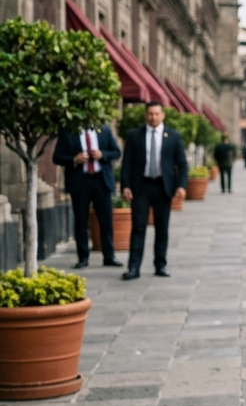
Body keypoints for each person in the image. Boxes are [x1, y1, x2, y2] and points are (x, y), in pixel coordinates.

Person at [119, 101, 187, 279]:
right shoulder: (134, 136)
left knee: (161, 228)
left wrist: (181, 186)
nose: (153, 117)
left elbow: (182, 164)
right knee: (138, 227)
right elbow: (127, 163)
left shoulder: (173, 136)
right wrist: (125, 185)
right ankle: (133, 267)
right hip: (141, 186)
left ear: (163, 115)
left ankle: (160, 265)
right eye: (150, 114)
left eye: (157, 114)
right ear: (145, 116)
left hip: (163, 187)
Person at [53, 123, 123, 268]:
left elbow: (116, 152)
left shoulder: (104, 130)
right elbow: (57, 157)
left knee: (106, 221)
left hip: (101, 181)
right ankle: (83, 258)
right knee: (80, 221)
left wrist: (103, 154)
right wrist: (74, 159)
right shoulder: (68, 131)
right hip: (79, 182)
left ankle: (109, 256)